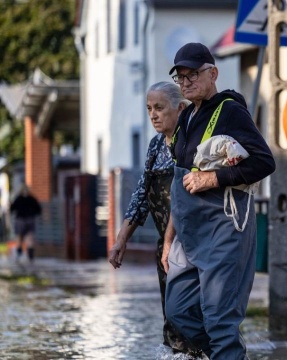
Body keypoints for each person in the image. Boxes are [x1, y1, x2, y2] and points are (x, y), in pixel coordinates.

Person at [162, 42, 275, 358]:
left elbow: (265, 162)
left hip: (225, 229)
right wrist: (169, 240)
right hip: (189, 233)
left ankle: (227, 350)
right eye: (180, 77)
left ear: (212, 73)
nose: (186, 82)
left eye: (193, 75)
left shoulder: (231, 111)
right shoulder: (186, 118)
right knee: (178, 311)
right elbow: (180, 186)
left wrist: (213, 178)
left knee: (219, 320)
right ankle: (225, 353)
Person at [107, 81, 199, 355]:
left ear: (180, 108)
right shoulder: (155, 145)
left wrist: (171, 243)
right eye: (149, 109)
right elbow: (141, 195)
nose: (153, 115)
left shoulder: (192, 143)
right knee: (171, 321)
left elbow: (184, 199)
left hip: (193, 246)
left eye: (159, 108)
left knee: (191, 315)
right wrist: (121, 239)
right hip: (166, 250)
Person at [9, 184, 41, 262]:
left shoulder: (18, 199)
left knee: (19, 236)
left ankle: (19, 253)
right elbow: (38, 210)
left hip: (20, 220)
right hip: (30, 219)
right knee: (30, 237)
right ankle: (30, 255)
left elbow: (12, 208)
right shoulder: (32, 199)